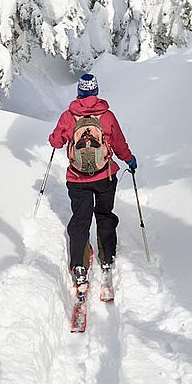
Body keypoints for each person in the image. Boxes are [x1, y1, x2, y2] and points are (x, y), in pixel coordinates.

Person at [48, 72, 137, 291]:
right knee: (105, 215)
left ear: (79, 92)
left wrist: (59, 137)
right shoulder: (107, 116)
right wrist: (129, 160)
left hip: (77, 179)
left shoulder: (69, 116)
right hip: (105, 176)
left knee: (80, 220)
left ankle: (79, 266)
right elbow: (119, 143)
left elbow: (55, 141)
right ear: (96, 91)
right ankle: (107, 257)